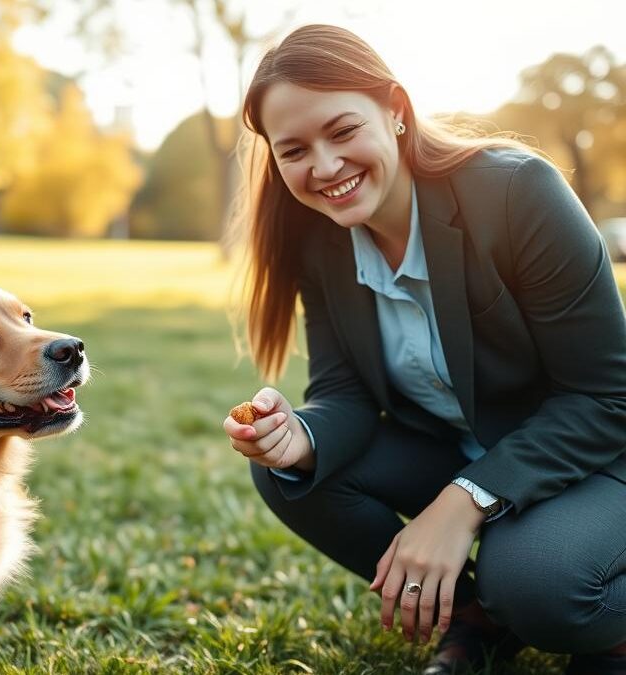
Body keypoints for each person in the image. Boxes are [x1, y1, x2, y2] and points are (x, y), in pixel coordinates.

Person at [222, 24, 626, 675]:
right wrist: (296, 433)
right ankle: (477, 616)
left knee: (541, 583)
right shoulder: (320, 242)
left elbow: (606, 398)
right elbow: (344, 394)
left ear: (398, 111)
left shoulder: (517, 193)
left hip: (596, 459)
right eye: (294, 149)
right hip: (466, 449)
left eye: (343, 131)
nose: (324, 167)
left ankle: (604, 631)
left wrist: (462, 500)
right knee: (291, 470)